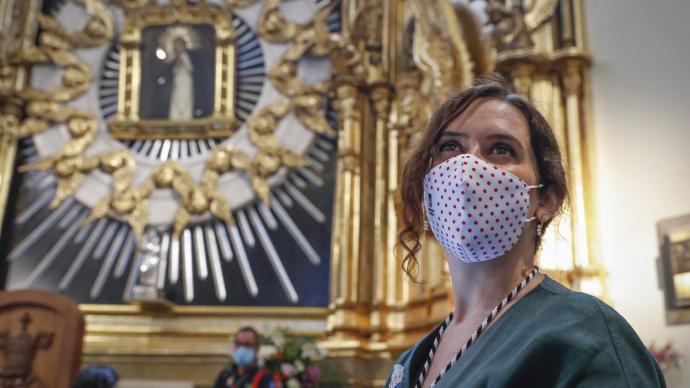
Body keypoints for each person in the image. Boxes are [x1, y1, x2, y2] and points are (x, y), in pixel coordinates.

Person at [386, 76, 665, 388]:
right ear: (427, 189)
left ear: (545, 199)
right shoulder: (409, 364)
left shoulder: (586, 334)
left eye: (501, 149)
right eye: (450, 146)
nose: (467, 167)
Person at [213, 326, 280, 388]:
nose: (242, 349)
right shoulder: (225, 375)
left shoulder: (265, 378)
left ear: (257, 348)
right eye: (238, 344)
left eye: (247, 345)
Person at [168, 36, 194, 120]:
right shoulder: (173, 60)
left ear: (184, 46)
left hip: (187, 84)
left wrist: (185, 65)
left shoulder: (191, 58)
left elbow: (194, 71)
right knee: (175, 104)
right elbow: (169, 74)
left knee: (186, 104)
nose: (177, 48)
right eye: (175, 46)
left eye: (179, 45)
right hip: (177, 85)